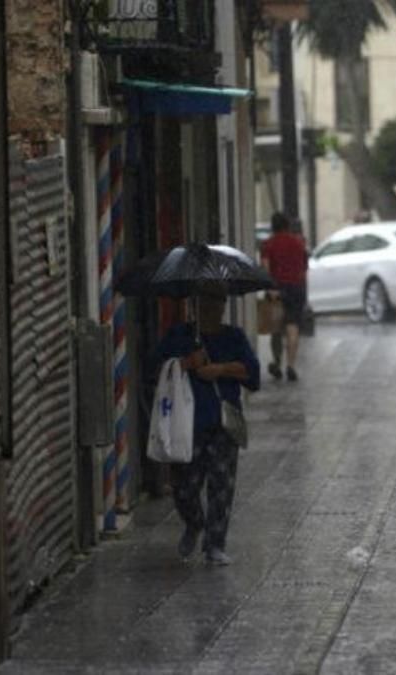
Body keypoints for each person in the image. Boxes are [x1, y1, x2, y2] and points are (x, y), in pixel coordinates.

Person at [152, 281, 261, 565]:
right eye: (207, 300)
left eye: (219, 300)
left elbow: (252, 374)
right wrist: (187, 362)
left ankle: (215, 544)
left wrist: (220, 369)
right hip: (186, 425)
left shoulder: (233, 337)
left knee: (222, 486)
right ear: (195, 304)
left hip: (223, 423)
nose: (214, 307)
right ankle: (194, 522)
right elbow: (154, 368)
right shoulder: (179, 336)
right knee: (184, 487)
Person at [260, 212, 309, 381]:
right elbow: (304, 269)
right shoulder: (299, 243)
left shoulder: (268, 244)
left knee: (276, 328)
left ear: (273, 226)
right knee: (292, 326)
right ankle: (291, 365)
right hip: (296, 289)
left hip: (276, 289)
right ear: (288, 225)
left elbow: (265, 268)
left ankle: (277, 362)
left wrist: (270, 287)